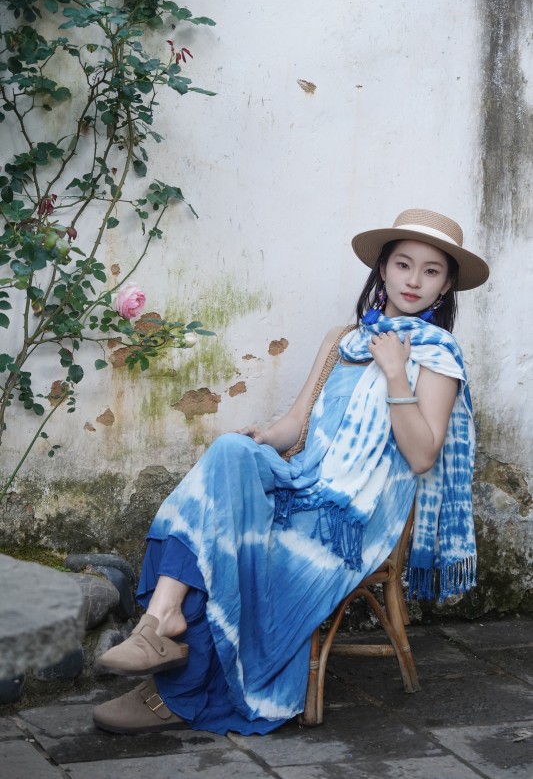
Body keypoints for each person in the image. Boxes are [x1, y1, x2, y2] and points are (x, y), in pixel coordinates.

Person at [93, 208, 489, 736]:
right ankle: (160, 619)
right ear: (383, 269)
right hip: (305, 483)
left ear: (446, 285)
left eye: (431, 270)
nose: (414, 280)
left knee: (236, 536)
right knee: (231, 454)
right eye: (403, 264)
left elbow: (421, 457)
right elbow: (297, 423)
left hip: (355, 517)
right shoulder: (342, 339)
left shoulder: (438, 356)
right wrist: (260, 439)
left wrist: (396, 372)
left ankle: (176, 695)